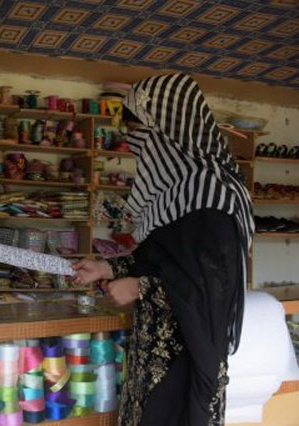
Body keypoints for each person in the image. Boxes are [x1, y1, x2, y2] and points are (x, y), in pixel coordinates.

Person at [74, 73, 254, 425]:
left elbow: (213, 290)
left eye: (137, 133)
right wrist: (109, 269)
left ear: (166, 131)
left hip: (186, 356)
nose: (132, 146)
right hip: (152, 349)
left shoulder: (213, 194)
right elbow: (159, 259)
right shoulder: (175, 194)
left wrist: (141, 287)